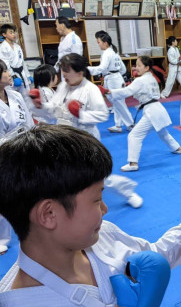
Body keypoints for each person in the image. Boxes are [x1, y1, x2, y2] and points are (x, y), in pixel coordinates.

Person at [0, 124, 181, 307]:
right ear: (49, 214)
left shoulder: (103, 236)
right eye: (96, 199)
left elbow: (156, 255)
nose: (105, 209)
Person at [30, 53, 143, 208]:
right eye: (62, 70)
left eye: (67, 70)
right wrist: (40, 105)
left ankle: (128, 192)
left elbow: (103, 114)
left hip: (86, 138)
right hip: (65, 135)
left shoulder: (91, 89)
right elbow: (54, 110)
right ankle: (70, 204)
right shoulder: (64, 86)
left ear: (80, 72)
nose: (63, 74)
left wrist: (80, 114)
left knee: (99, 175)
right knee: (65, 173)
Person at [100, 56, 181, 172]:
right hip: (157, 108)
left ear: (147, 67)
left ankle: (133, 163)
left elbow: (127, 92)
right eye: (136, 65)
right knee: (162, 132)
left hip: (152, 111)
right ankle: (177, 148)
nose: (136, 68)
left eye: (139, 65)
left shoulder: (141, 80)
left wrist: (109, 91)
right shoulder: (151, 77)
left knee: (134, 135)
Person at [0, 59, 34, 254]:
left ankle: (33, 228)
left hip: (23, 147)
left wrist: (33, 138)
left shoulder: (15, 96)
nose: (9, 74)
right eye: (4, 71)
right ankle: (1, 237)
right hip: (3, 152)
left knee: (30, 190)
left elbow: (28, 120)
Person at [88, 31, 134, 133]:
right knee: (117, 103)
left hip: (113, 80)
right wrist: (116, 75)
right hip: (116, 78)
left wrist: (87, 69)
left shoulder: (107, 54)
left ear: (105, 43)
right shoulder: (113, 53)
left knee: (119, 103)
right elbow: (123, 69)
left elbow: (101, 68)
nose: (98, 44)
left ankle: (130, 124)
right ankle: (118, 125)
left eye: (99, 42)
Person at [0, 24, 31, 101]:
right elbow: (5, 64)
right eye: (11, 32)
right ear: (4, 34)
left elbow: (22, 62)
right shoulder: (2, 47)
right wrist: (13, 76)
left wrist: (28, 75)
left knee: (27, 97)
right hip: (11, 75)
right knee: (13, 98)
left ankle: (28, 113)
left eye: (14, 32)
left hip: (22, 73)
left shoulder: (17, 47)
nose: (14, 34)